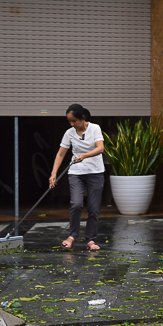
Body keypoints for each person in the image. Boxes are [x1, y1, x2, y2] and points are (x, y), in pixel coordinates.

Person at [50, 104, 105, 251]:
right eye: (70, 121)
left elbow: (100, 148)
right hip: (76, 172)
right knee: (76, 204)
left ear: (83, 118)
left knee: (93, 208)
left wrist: (84, 156)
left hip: (95, 172)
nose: (72, 124)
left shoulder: (95, 128)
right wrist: (53, 173)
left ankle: (91, 240)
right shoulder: (69, 133)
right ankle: (72, 236)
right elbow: (61, 154)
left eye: (74, 121)